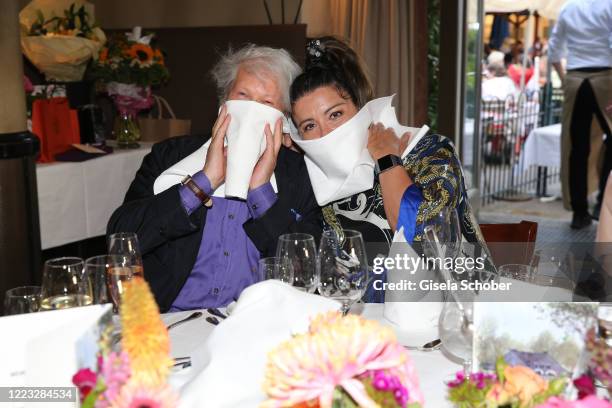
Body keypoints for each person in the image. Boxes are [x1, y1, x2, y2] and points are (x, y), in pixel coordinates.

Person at [108, 45, 321, 312]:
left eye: (267, 103)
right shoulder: (170, 156)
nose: (251, 111)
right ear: (223, 104)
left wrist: (261, 190)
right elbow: (121, 236)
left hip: (257, 323)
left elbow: (306, 266)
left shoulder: (299, 174)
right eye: (242, 96)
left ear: (284, 120)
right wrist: (202, 182)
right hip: (171, 321)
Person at [289, 36, 488, 250]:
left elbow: (433, 245)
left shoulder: (431, 153)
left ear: (360, 107)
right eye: (309, 126)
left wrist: (387, 161)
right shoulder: (318, 181)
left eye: (335, 114)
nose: (325, 133)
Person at [548, 0, 612, 229]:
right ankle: (603, 201)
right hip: (606, 78)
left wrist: (565, 78)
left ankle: (579, 211)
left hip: (575, 80)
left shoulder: (567, 7)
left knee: (576, 148)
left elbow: (554, 49)